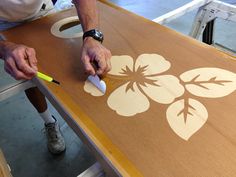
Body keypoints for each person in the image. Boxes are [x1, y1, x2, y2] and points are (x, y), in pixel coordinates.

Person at [0, 0, 112, 155]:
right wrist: (4, 48)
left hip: (42, 9)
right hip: (3, 21)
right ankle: (49, 121)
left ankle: (90, 127)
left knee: (63, 65)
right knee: (28, 74)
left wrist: (91, 36)